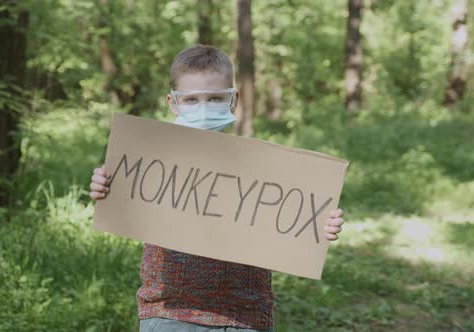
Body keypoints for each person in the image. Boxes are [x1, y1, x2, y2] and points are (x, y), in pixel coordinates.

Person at [89, 45, 345, 332]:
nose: (203, 108)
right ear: (173, 103)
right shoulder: (151, 159)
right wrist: (105, 188)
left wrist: (321, 225)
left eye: (214, 98)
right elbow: (126, 204)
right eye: (191, 99)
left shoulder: (263, 167)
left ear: (233, 100)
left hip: (245, 317)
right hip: (168, 313)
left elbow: (293, 218)